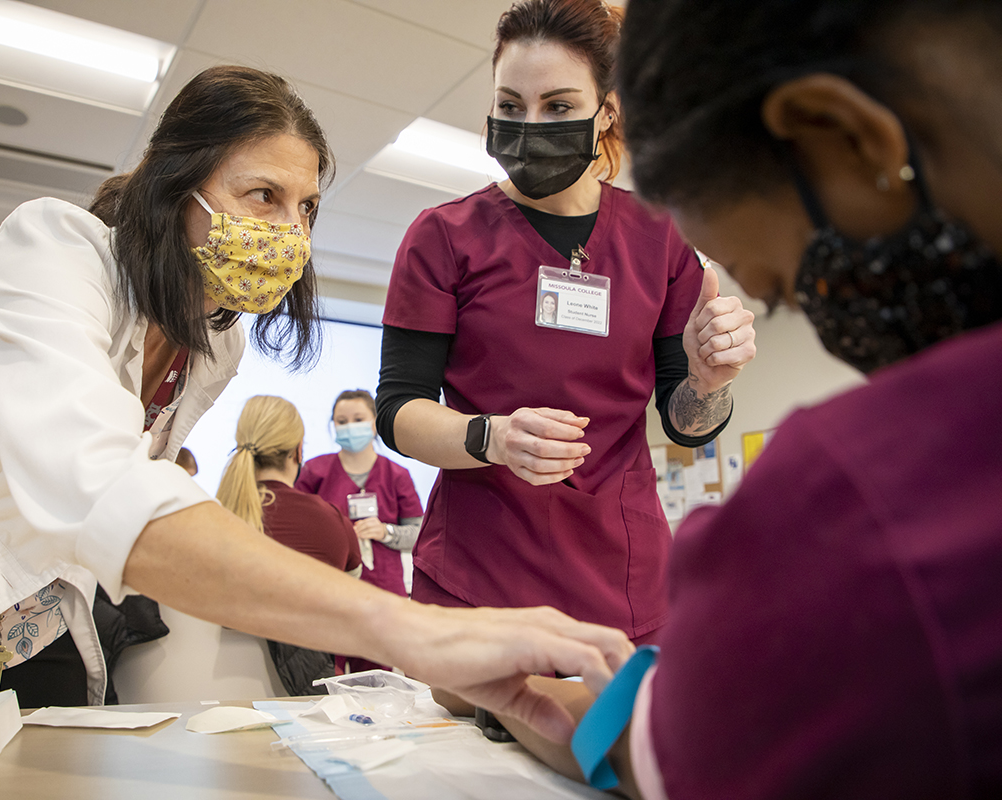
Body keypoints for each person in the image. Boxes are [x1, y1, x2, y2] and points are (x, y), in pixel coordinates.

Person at [0, 65, 634, 735]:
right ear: (175, 189)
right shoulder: (49, 252)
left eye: (305, 208)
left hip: (28, 636)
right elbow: (105, 491)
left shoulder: (213, 345)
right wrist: (422, 632)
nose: (291, 233)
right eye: (262, 196)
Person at [498, 1, 1002, 797]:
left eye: (790, 288)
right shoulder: (449, 234)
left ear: (840, 136)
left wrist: (492, 687)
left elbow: (661, 743)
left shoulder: (859, 498)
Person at [377, 0, 757, 646]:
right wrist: (491, 437)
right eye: (510, 105)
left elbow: (687, 422)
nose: (530, 125)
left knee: (615, 744)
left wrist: (710, 379)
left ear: (606, 109)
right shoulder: (444, 237)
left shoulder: (659, 238)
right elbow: (398, 410)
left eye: (557, 106)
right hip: (478, 578)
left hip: (621, 578)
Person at [216, 395, 360, 695]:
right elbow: (347, 594)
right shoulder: (331, 521)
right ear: (298, 451)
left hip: (211, 699)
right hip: (304, 708)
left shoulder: (208, 520)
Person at [296, 388, 424, 673]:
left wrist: (386, 532)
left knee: (377, 679)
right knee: (327, 675)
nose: (349, 426)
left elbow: (418, 533)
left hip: (381, 594)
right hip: (329, 591)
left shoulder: (396, 475)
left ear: (375, 423)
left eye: (357, 419)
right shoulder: (315, 472)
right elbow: (298, 527)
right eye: (341, 421)